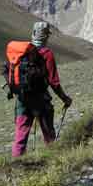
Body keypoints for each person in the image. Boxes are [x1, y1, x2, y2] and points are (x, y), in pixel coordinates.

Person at [11, 22, 73, 157]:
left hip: (22, 99)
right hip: (40, 100)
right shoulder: (46, 54)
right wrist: (65, 98)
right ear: (46, 37)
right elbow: (54, 82)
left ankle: (15, 167)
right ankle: (53, 163)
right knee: (49, 135)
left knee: (20, 136)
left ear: (33, 34)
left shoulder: (23, 52)